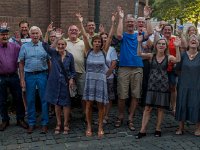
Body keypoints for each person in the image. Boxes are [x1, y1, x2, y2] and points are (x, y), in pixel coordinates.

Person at [76, 12, 115, 138]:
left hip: (101, 81)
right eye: (96, 41)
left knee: (100, 106)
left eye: (99, 42)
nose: (97, 43)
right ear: (93, 43)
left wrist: (113, 22)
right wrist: (81, 23)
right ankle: (88, 126)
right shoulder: (88, 51)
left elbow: (109, 38)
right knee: (88, 105)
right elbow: (84, 36)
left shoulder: (104, 52)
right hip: (90, 81)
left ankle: (100, 127)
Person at [114, 5, 153, 131]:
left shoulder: (139, 35)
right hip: (124, 68)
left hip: (137, 68)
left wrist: (147, 17)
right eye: (128, 22)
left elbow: (151, 32)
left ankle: (130, 118)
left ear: (136, 24)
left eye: (132, 22)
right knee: (122, 95)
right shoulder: (124, 35)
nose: (130, 23)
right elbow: (118, 34)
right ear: (126, 24)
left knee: (136, 95)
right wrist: (120, 18)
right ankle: (120, 116)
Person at [135, 37, 181, 139]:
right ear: (156, 46)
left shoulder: (168, 57)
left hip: (163, 86)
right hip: (152, 85)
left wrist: (177, 47)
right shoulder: (152, 56)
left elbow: (178, 60)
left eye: (163, 44)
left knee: (160, 109)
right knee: (147, 108)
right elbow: (139, 54)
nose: (161, 45)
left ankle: (158, 129)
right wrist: (139, 42)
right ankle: (142, 130)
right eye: (159, 43)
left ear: (166, 46)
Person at [18, 26, 49, 134]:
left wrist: (49, 77)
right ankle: (31, 123)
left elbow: (49, 61)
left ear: (40, 34)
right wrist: (22, 79)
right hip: (29, 76)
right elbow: (21, 63)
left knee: (44, 100)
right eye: (33, 33)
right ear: (30, 35)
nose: (35, 35)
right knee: (30, 100)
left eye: (37, 33)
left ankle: (45, 123)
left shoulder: (44, 46)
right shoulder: (24, 47)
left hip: (42, 75)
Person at [43, 35, 76, 134]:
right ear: (57, 45)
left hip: (65, 83)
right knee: (56, 103)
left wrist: (71, 79)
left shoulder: (70, 56)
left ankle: (66, 124)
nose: (61, 46)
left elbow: (73, 71)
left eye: (63, 44)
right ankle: (58, 123)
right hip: (54, 82)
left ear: (66, 45)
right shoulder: (54, 53)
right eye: (59, 44)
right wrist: (48, 33)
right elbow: (44, 45)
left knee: (66, 104)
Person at [0, 23, 28, 131]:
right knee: (2, 100)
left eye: (6, 34)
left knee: (18, 98)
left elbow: (24, 52)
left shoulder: (15, 46)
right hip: (1, 77)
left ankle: (20, 119)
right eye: (2, 35)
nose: (5, 36)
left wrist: (20, 41)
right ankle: (5, 120)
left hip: (13, 76)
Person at [175, 34, 200, 136]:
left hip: (197, 85)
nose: (193, 40)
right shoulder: (183, 54)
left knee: (197, 105)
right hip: (184, 85)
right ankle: (181, 127)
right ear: (188, 43)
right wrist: (177, 47)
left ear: (198, 43)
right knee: (182, 104)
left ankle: (198, 128)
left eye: (196, 39)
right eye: (192, 39)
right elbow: (177, 68)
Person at [100, 32, 117, 123]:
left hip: (108, 77)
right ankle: (101, 116)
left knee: (109, 97)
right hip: (99, 78)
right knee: (101, 97)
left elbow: (114, 63)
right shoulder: (98, 49)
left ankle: (106, 116)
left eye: (106, 37)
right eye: (102, 38)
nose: (104, 39)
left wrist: (107, 74)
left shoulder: (111, 49)